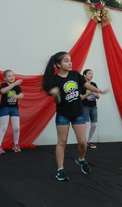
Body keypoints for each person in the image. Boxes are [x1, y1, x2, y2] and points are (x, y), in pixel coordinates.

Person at [42, 51, 104, 181]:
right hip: (63, 114)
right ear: (58, 64)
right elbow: (58, 102)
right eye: (66, 61)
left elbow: (86, 85)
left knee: (82, 142)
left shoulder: (75, 74)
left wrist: (96, 90)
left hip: (78, 113)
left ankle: (81, 160)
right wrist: (56, 95)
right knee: (62, 142)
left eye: (70, 60)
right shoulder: (54, 80)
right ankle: (60, 170)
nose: (70, 63)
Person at [0, 70, 24, 155]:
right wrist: (13, 84)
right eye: (9, 76)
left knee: (17, 128)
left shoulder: (17, 87)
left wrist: (16, 96)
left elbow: (21, 95)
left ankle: (16, 144)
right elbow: (3, 91)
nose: (12, 77)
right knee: (3, 127)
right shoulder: (3, 85)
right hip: (5, 108)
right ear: (5, 78)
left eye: (13, 76)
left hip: (14, 108)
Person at [80, 69, 100, 149]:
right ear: (84, 75)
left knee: (94, 124)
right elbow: (81, 98)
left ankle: (89, 141)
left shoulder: (94, 84)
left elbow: (98, 96)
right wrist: (89, 92)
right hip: (85, 107)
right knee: (86, 125)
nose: (91, 75)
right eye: (89, 73)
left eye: (92, 74)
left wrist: (96, 94)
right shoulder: (81, 85)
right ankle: (83, 141)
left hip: (93, 106)